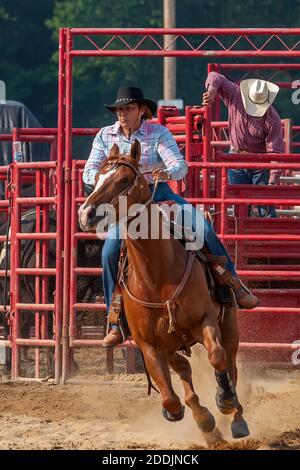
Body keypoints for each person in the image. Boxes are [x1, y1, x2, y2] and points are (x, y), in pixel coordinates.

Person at [83, 86, 258, 347]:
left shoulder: (158, 133)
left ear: (142, 111)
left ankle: (232, 283)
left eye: (128, 109)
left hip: (158, 195)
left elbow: (179, 164)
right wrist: (103, 178)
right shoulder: (104, 136)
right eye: (120, 109)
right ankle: (116, 321)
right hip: (124, 203)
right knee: (109, 252)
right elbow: (89, 170)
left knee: (202, 227)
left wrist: (165, 173)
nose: (123, 114)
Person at [203, 73, 285, 217]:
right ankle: (240, 237)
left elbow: (275, 152)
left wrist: (272, 182)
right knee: (238, 206)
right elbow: (215, 76)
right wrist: (211, 91)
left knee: (264, 205)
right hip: (237, 159)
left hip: (259, 163)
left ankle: (262, 234)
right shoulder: (235, 94)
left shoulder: (273, 119)